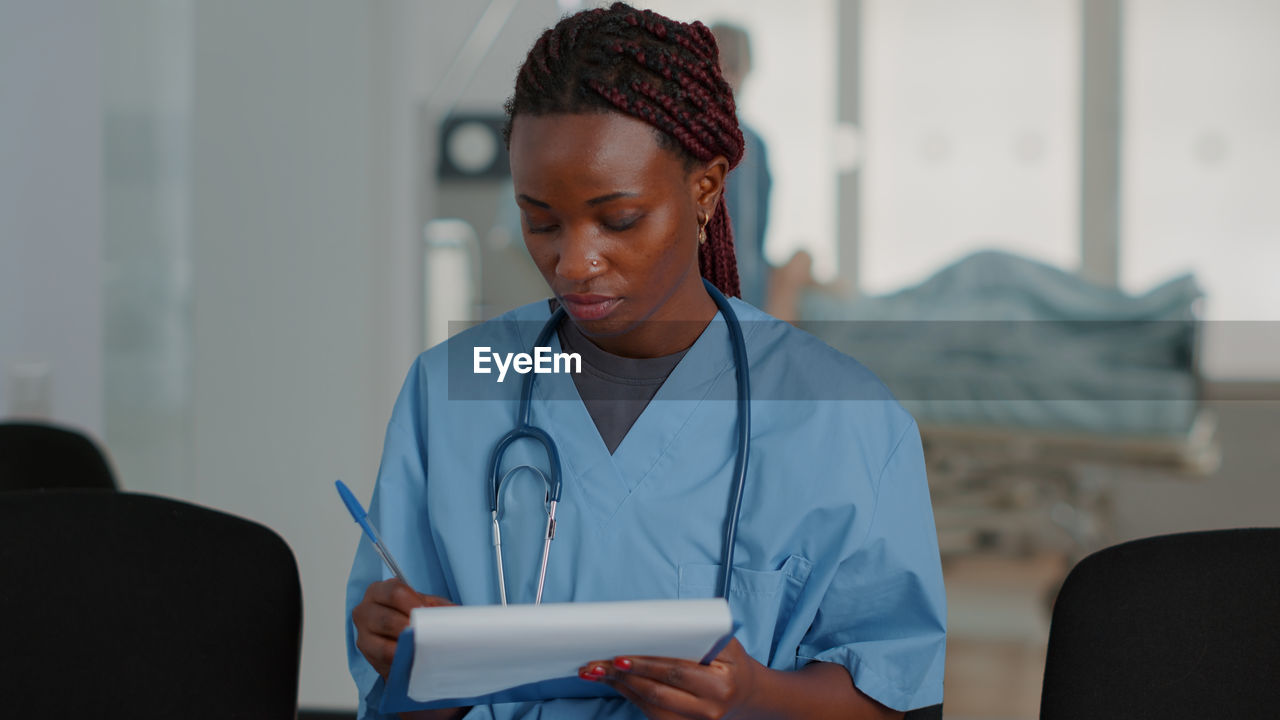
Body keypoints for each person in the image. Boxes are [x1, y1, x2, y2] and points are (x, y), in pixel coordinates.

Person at [346, 4, 945, 719]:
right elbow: (407, 705)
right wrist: (408, 663)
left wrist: (755, 695)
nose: (574, 261)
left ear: (706, 189)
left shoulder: (843, 416)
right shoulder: (450, 391)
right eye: (541, 220)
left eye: (618, 219)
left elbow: (897, 699)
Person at [708, 22, 773, 310]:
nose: (728, 74)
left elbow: (757, 238)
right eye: (721, 63)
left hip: (748, 298)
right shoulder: (678, 140)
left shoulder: (756, 147)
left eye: (735, 63)